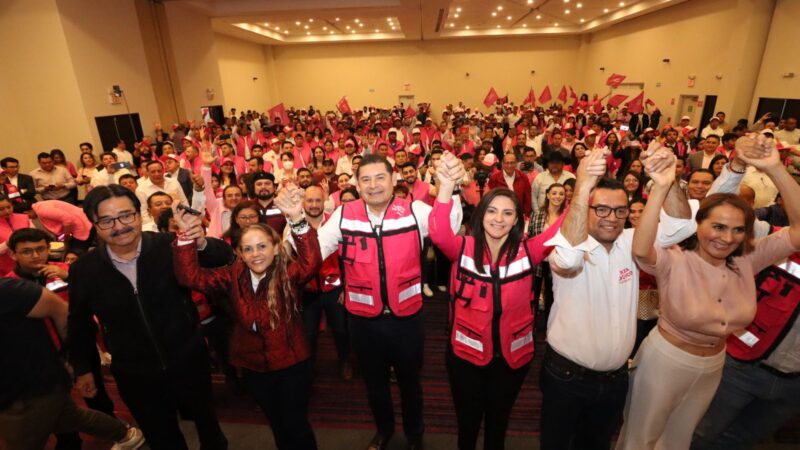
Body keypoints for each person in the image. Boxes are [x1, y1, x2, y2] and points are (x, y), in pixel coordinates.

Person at [617, 133, 800, 449]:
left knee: (679, 440)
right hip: (666, 361)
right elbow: (642, 249)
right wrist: (661, 187)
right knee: (640, 440)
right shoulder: (676, 261)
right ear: (698, 225)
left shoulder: (748, 260)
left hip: (715, 365)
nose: (726, 237)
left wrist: (774, 168)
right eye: (717, 226)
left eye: (737, 229)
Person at [540, 147, 697, 450]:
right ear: (584, 208)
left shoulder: (631, 241)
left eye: (620, 210)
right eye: (600, 209)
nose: (611, 218)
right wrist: (583, 185)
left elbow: (681, 226)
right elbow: (570, 261)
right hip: (566, 377)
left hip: (615, 379)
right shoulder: (564, 244)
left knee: (597, 444)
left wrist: (669, 181)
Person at [68, 184, 232, 450]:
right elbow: (79, 324)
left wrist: (200, 241)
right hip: (135, 372)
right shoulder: (84, 270)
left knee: (209, 428)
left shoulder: (169, 246)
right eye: (107, 220)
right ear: (94, 224)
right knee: (162, 437)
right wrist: (83, 368)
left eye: (126, 215)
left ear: (138, 213)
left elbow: (224, 260)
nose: (119, 226)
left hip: (188, 359)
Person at [317, 153, 464, 450]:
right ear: (357, 185)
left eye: (380, 177)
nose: (373, 185)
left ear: (394, 179)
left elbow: (447, 227)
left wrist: (451, 188)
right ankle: (384, 430)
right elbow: (314, 252)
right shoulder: (343, 215)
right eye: (366, 180)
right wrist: (296, 223)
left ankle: (414, 434)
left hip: (406, 319)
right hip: (363, 320)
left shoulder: (413, 210)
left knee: (411, 384)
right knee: (374, 385)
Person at [173, 185, 321, 450]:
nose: (256, 254)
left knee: (296, 423)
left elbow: (311, 262)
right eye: (248, 249)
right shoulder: (232, 275)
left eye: (262, 246)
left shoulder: (287, 274)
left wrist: (297, 219)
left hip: (291, 364)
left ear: (276, 248)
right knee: (276, 421)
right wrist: (185, 236)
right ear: (239, 253)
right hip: (253, 366)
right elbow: (190, 277)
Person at [430, 153, 562, 450]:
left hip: (511, 360)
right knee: (467, 424)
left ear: (518, 219)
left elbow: (560, 231)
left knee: (498, 425)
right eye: (492, 211)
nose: (499, 219)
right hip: (465, 357)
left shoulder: (529, 252)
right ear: (481, 215)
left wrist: (583, 190)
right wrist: (447, 185)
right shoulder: (462, 248)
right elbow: (438, 233)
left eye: (507, 213)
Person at [5, 227, 118, 449]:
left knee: (95, 392)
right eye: (27, 251)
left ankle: (118, 433)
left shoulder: (66, 271)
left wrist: (72, 278)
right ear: (13, 254)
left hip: (80, 344)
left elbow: (96, 297)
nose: (36, 256)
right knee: (58, 406)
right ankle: (70, 441)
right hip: (43, 355)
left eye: (40, 249)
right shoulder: (10, 286)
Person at [0, 277, 144, 450]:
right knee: (69, 417)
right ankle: (126, 436)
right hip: (19, 388)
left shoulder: (9, 290)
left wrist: (72, 359)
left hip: (32, 386)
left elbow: (61, 311)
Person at [527, 183, 566, 327]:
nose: (557, 196)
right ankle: (531, 326)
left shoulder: (566, 217)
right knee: (533, 295)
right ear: (548, 195)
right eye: (554, 193)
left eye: (561, 194)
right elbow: (530, 237)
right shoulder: (536, 215)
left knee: (553, 297)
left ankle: (551, 328)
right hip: (537, 262)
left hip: (556, 262)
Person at [0, 193, 33, 274]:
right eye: (1, 209)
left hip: (28, 262)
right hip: (5, 267)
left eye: (9, 207)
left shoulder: (24, 217)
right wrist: (7, 244)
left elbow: (35, 236)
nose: (7, 211)